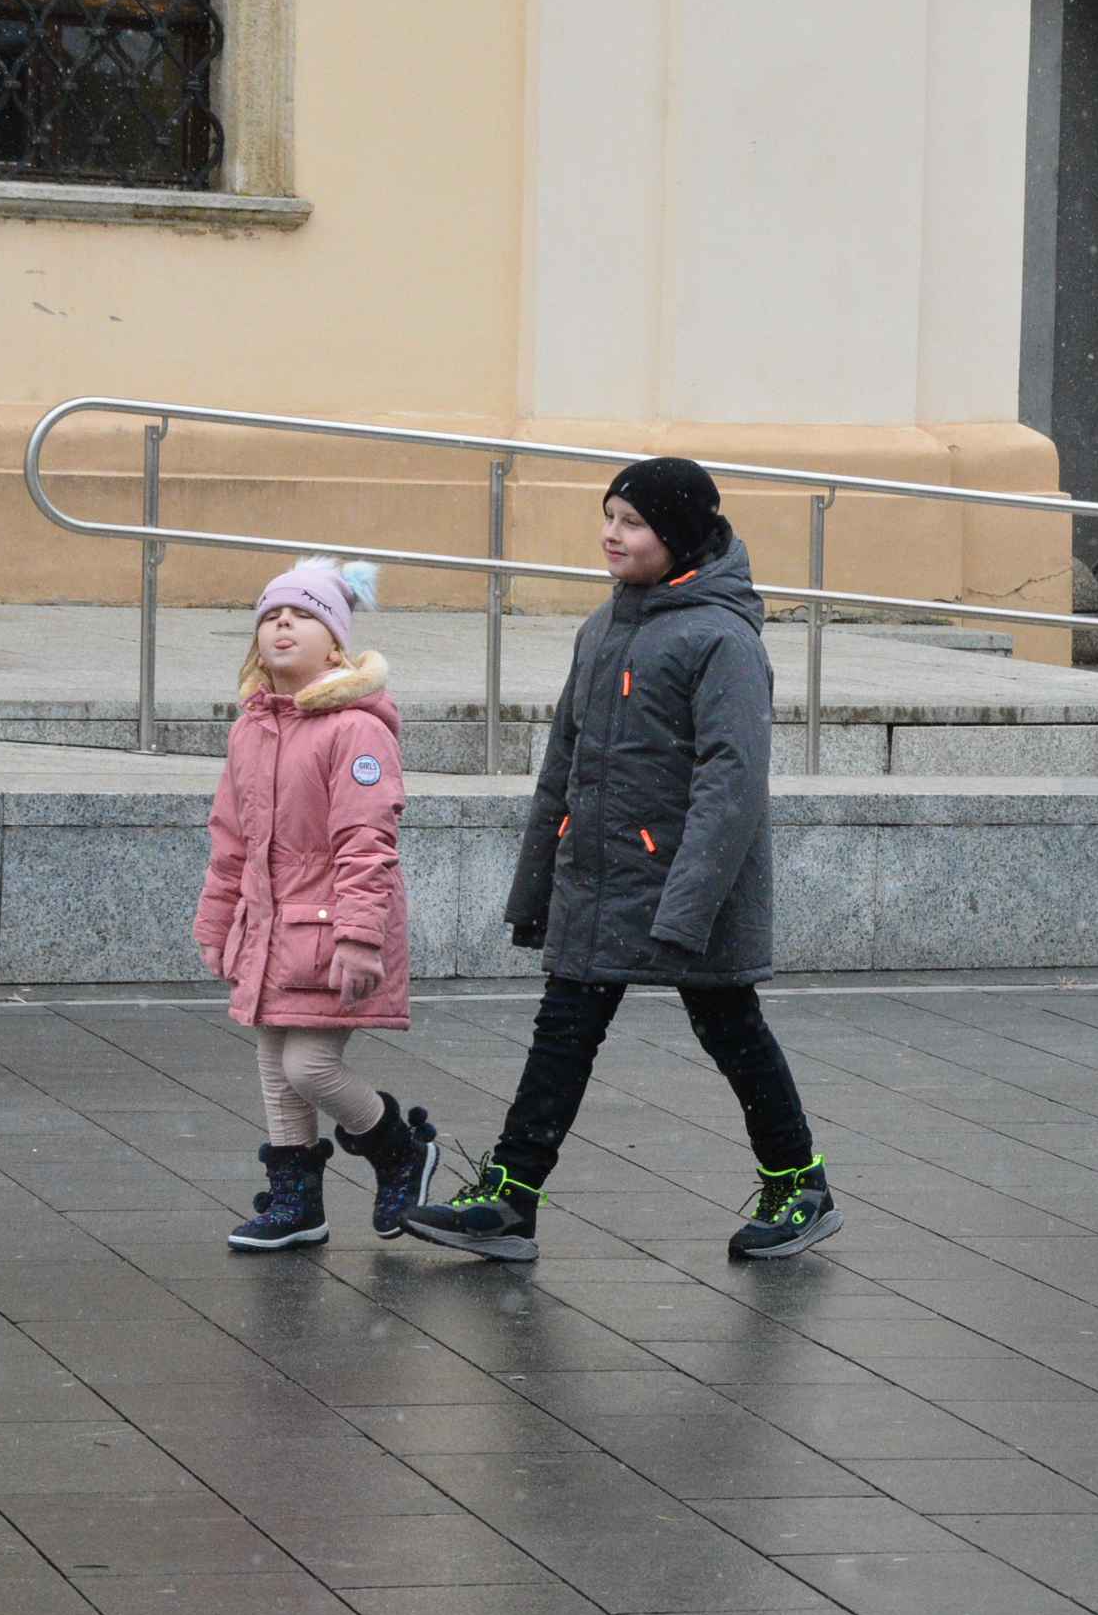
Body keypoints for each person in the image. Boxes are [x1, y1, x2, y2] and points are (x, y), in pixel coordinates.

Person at [403, 459, 838, 1265]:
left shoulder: (722, 638)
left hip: (686, 886)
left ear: (675, 534)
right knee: (563, 1031)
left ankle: (798, 1183)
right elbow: (562, 764)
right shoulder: (602, 629)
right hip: (598, 876)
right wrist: (536, 887)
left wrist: (686, 907)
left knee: (729, 1026)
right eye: (607, 515)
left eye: (632, 521)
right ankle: (511, 1197)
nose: (611, 533)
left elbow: (731, 783)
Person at [198, 558, 442, 1251]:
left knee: (310, 1065)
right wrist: (219, 924)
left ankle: (398, 1148)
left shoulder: (355, 731)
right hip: (271, 929)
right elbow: (231, 839)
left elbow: (367, 840)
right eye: (271, 615)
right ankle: (297, 1201)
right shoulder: (251, 729)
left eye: (301, 615)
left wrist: (361, 937)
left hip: (335, 930)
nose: (282, 624)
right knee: (276, 1062)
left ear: (335, 643)